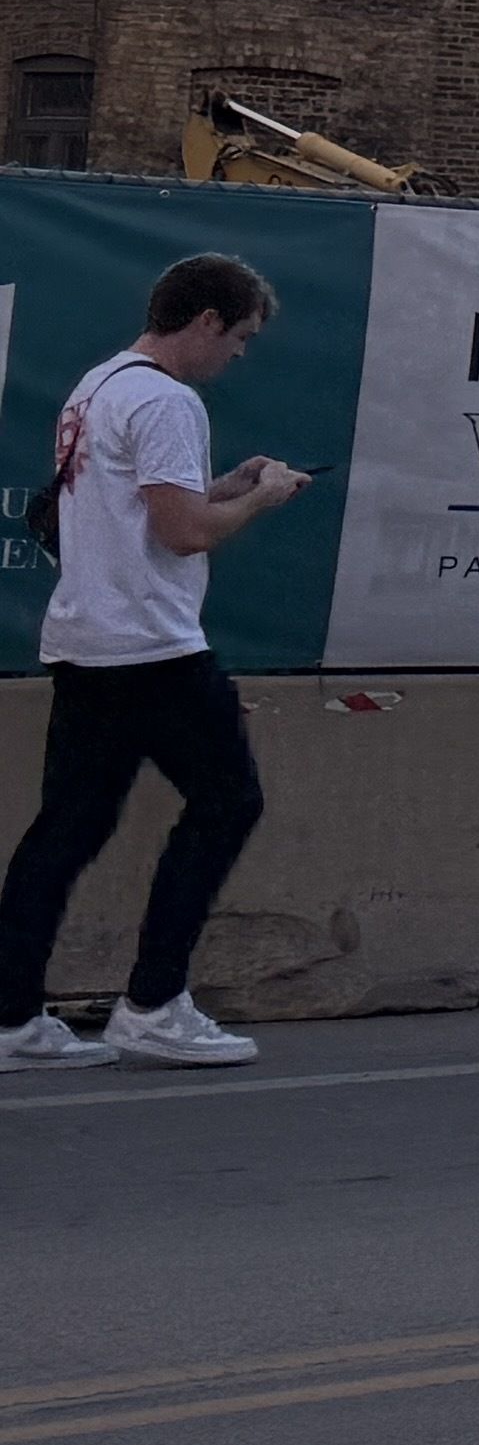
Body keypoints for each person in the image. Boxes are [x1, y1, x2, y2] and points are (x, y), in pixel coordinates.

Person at [0, 252, 312, 1067]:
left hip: (85, 640)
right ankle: (154, 1002)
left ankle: (11, 1019)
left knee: (66, 830)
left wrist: (225, 483)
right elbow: (182, 534)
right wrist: (263, 497)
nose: (239, 353)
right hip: (151, 645)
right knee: (227, 803)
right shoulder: (170, 401)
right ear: (206, 321)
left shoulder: (100, 385)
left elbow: (147, 504)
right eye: (239, 335)